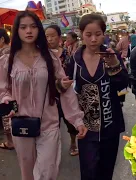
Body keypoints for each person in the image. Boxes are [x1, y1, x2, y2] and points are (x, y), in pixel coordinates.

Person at [0, 10, 87, 180]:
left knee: (47, 172)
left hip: (49, 123)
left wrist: (77, 120)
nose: (29, 31)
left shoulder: (50, 58)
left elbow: (66, 89)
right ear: (17, 30)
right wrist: (7, 101)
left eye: (33, 26)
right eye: (23, 27)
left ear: (39, 29)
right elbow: (2, 89)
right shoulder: (7, 61)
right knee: (28, 173)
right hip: (21, 123)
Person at [60, 14, 128, 179]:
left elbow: (124, 85)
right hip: (86, 128)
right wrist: (60, 85)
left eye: (98, 34)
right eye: (88, 35)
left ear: (104, 34)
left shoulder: (111, 56)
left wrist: (115, 66)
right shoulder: (74, 61)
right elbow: (66, 89)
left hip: (110, 126)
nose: (93, 39)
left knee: (106, 171)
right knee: (89, 171)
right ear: (81, 34)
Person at [45, 25, 79, 156]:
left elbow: (70, 73)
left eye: (52, 36)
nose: (49, 39)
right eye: (47, 36)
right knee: (52, 123)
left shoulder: (66, 53)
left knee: (69, 120)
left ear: (59, 38)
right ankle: (54, 147)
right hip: (50, 94)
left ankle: (73, 142)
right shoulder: (43, 55)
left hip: (65, 92)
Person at [0, 28, 14, 150]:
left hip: (5, 90)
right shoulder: (12, 52)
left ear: (2, 39)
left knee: (6, 116)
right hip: (11, 90)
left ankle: (10, 142)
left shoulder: (4, 54)